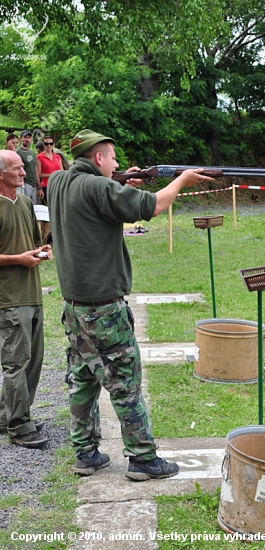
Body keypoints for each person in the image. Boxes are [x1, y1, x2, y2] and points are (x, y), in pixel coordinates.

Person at [48, 129, 214, 479]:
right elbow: (152, 206)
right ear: (97, 158)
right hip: (104, 310)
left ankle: (86, 453)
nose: (118, 163)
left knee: (83, 379)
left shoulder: (59, 182)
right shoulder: (98, 187)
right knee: (125, 383)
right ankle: (142, 458)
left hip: (74, 308)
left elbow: (101, 194)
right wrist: (182, 179)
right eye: (112, 157)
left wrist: (124, 180)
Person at [0, 150, 52, 448]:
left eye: (23, 168)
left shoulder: (25, 202)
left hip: (32, 293)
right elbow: (15, 254)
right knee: (16, 362)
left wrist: (39, 253)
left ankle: (8, 415)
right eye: (17, 169)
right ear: (1, 174)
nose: (24, 173)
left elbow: (32, 242)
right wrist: (17, 258)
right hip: (8, 297)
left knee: (34, 359)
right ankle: (19, 426)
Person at [17, 130, 43, 205]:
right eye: (25, 137)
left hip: (34, 184)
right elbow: (17, 170)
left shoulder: (32, 152)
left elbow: (35, 170)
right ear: (21, 138)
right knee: (26, 205)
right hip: (25, 184)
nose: (27, 139)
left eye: (29, 137)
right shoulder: (18, 152)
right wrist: (23, 183)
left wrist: (40, 187)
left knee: (34, 206)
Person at [36, 136, 63, 204]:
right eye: (46, 144)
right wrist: (39, 188)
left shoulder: (57, 157)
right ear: (43, 144)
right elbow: (38, 174)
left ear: (53, 144)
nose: (48, 145)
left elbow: (62, 171)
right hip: (46, 186)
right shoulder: (39, 157)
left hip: (58, 185)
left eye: (50, 143)